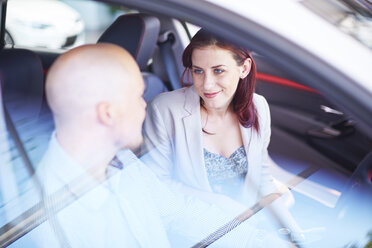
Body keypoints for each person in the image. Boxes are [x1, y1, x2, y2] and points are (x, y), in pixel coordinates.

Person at [21, 43, 290, 248]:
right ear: (108, 113)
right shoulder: (45, 224)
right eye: (138, 96)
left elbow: (180, 212)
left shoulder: (123, 164)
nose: (144, 105)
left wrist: (263, 242)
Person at [141, 29, 305, 242]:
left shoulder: (259, 107)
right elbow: (157, 188)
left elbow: (261, 179)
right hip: (192, 230)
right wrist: (222, 205)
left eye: (218, 71)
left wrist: (294, 237)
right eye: (198, 71)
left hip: (250, 225)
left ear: (244, 68)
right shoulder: (165, 110)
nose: (206, 84)